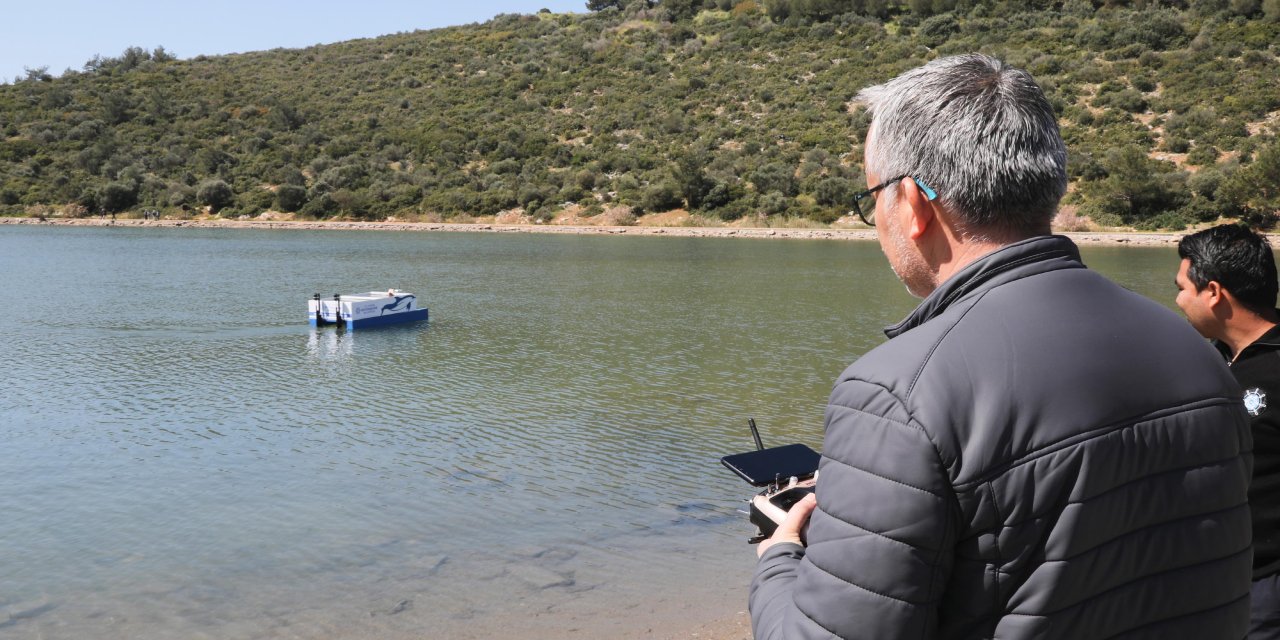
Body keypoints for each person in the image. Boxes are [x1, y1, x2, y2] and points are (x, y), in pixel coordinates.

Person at [749, 53, 1253, 639]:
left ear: (911, 204)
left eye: (871, 201)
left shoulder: (896, 392)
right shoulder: (1196, 353)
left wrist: (780, 559)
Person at [1177, 223, 1280, 638]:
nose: (1178, 300)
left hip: (1266, 585)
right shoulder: (1208, 360)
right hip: (1214, 573)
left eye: (1183, 287)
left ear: (1214, 292)